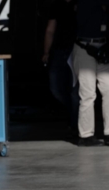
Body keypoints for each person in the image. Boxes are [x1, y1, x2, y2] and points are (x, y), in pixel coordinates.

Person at [72, 0, 109, 146]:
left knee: (108, 89)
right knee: (88, 92)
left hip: (102, 46)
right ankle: (86, 135)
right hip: (84, 46)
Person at [42, 0, 79, 135]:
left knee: (75, 90)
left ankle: (75, 124)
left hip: (77, 49)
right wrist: (46, 52)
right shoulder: (56, 4)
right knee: (55, 88)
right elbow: (50, 30)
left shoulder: (81, 3)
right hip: (59, 51)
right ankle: (73, 112)